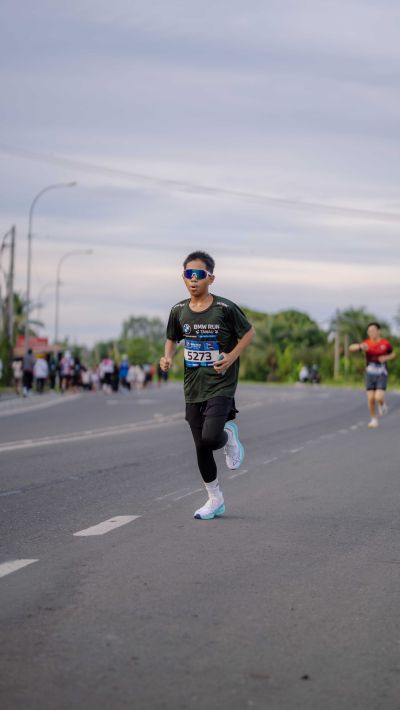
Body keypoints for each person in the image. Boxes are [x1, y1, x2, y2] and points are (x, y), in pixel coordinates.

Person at [160, 250, 255, 520]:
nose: (193, 279)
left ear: (210, 278)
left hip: (221, 383)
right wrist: (167, 358)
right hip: (193, 387)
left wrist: (231, 357)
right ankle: (215, 499)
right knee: (201, 447)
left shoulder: (224, 308)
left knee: (211, 438)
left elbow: (248, 332)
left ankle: (228, 436)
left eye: (199, 274)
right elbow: (171, 338)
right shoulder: (178, 311)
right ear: (183, 277)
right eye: (188, 274)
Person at [349, 322, 396, 428]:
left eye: (373, 330)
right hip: (370, 373)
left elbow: (392, 354)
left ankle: (382, 404)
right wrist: (360, 346)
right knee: (370, 399)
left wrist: (386, 358)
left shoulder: (385, 344)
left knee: (378, 397)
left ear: (378, 331)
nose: (371, 333)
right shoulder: (366, 343)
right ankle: (374, 419)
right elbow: (351, 348)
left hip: (381, 373)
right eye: (369, 331)